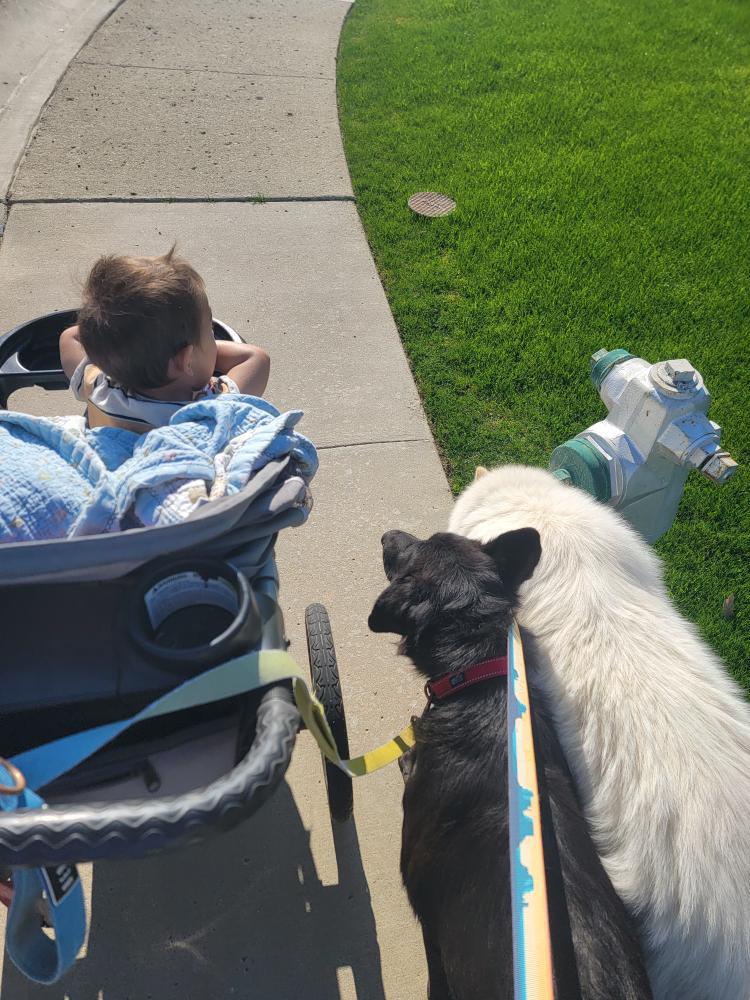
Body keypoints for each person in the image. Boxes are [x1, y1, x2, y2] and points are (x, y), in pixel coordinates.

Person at [59, 247, 270, 434]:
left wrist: (118, 334)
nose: (213, 338)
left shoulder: (100, 387)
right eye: (210, 332)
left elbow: (70, 337)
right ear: (186, 359)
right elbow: (256, 358)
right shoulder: (210, 408)